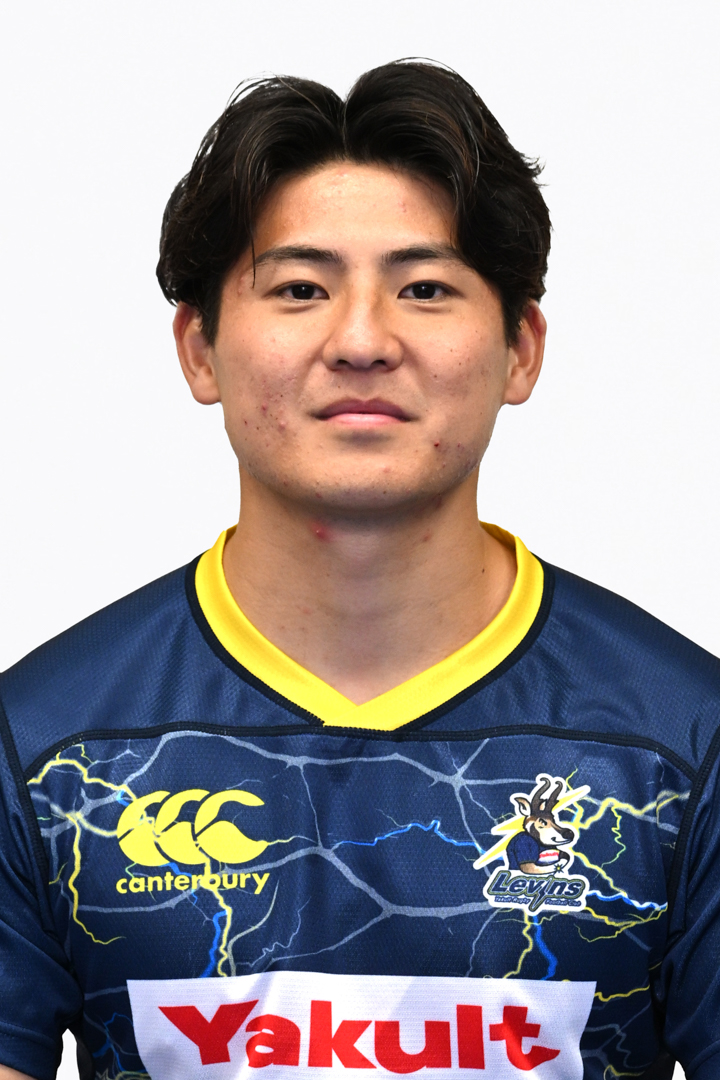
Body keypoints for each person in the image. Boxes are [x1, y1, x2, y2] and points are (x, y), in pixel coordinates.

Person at [0, 59, 717, 1080]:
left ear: (520, 349)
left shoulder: (683, 742)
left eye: (425, 289)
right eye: (301, 288)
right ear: (199, 348)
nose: (363, 340)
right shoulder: (44, 748)